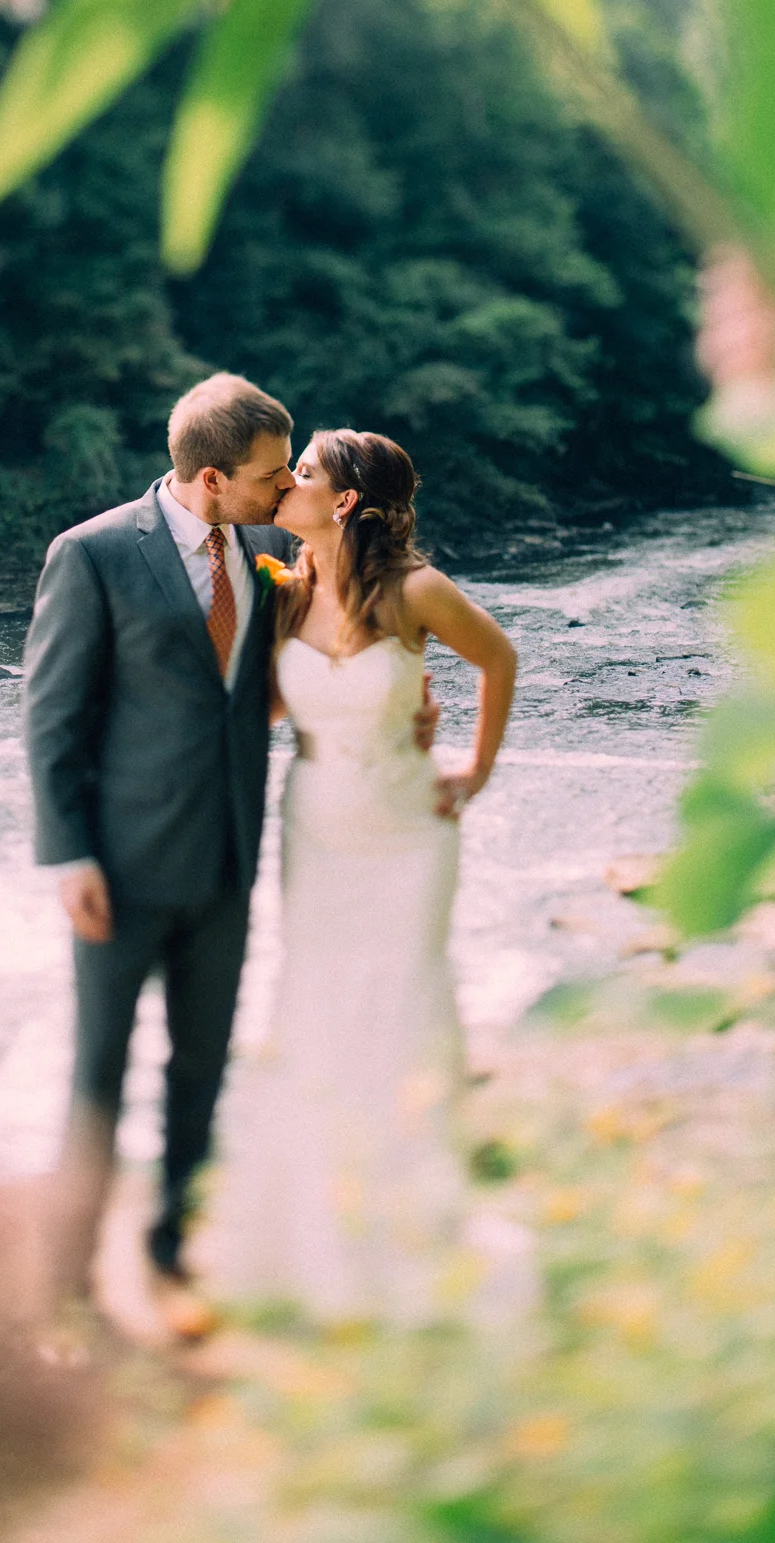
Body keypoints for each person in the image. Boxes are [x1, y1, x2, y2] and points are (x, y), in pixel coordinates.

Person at [23, 377, 437, 1342]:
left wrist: (398, 699)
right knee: (98, 1072)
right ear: (212, 480)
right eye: (269, 475)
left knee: (202, 1065)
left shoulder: (271, 553)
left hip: (230, 859)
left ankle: (170, 1252)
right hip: (116, 871)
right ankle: (64, 1284)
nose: (286, 485)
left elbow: (303, 666)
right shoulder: (88, 557)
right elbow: (51, 720)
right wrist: (67, 855)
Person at [209, 429, 517, 1326]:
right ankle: (314, 1214)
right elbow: (261, 707)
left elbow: (497, 659)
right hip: (318, 827)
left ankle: (416, 1203)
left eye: (301, 474)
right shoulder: (286, 588)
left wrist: (475, 767)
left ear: (344, 501)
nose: (286, 485)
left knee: (405, 993)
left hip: (409, 830)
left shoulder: (417, 590)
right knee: (316, 995)